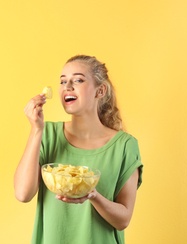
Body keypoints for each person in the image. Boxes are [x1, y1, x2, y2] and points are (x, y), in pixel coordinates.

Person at [14, 54, 143, 244]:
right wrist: (36, 129)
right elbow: (23, 194)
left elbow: (123, 219)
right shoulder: (47, 134)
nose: (67, 87)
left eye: (78, 80)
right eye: (63, 81)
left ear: (100, 91)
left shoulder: (125, 146)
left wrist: (93, 195)